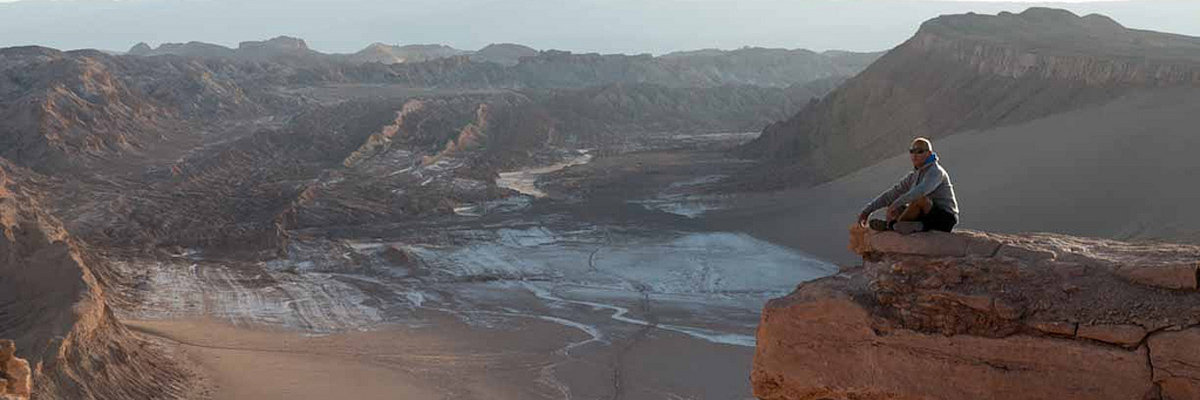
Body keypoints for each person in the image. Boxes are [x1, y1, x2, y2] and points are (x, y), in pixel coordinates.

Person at [856, 137, 959, 234]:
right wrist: (867, 211)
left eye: (919, 151)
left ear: (929, 153)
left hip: (945, 218)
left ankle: (891, 227)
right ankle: (918, 226)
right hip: (925, 216)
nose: (915, 155)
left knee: (920, 200)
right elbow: (892, 194)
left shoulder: (936, 172)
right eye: (912, 151)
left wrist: (894, 205)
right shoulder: (913, 176)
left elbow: (920, 191)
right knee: (895, 203)